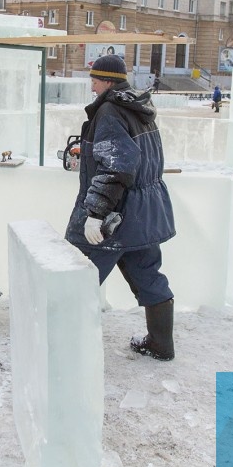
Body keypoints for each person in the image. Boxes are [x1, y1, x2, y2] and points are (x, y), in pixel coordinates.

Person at [65, 54, 177, 361]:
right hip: (145, 212)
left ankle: (67, 349)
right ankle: (160, 344)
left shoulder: (111, 112)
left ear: (105, 81)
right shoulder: (137, 107)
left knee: (75, 275)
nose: (92, 88)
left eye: (94, 81)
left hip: (116, 216)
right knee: (148, 275)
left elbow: (116, 167)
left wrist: (95, 214)